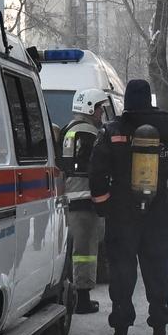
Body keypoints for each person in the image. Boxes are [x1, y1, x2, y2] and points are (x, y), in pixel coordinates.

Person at [89, 78, 168, 335]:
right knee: (157, 274)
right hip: (156, 212)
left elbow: (97, 172)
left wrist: (104, 206)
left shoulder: (113, 130)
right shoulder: (166, 129)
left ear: (126, 100)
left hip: (122, 215)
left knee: (122, 275)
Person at [60, 88, 109, 314]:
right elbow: (97, 169)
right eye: (99, 108)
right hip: (85, 200)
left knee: (73, 249)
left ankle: (73, 293)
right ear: (90, 107)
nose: (101, 113)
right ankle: (82, 298)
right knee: (85, 251)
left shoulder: (69, 129)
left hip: (70, 198)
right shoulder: (90, 133)